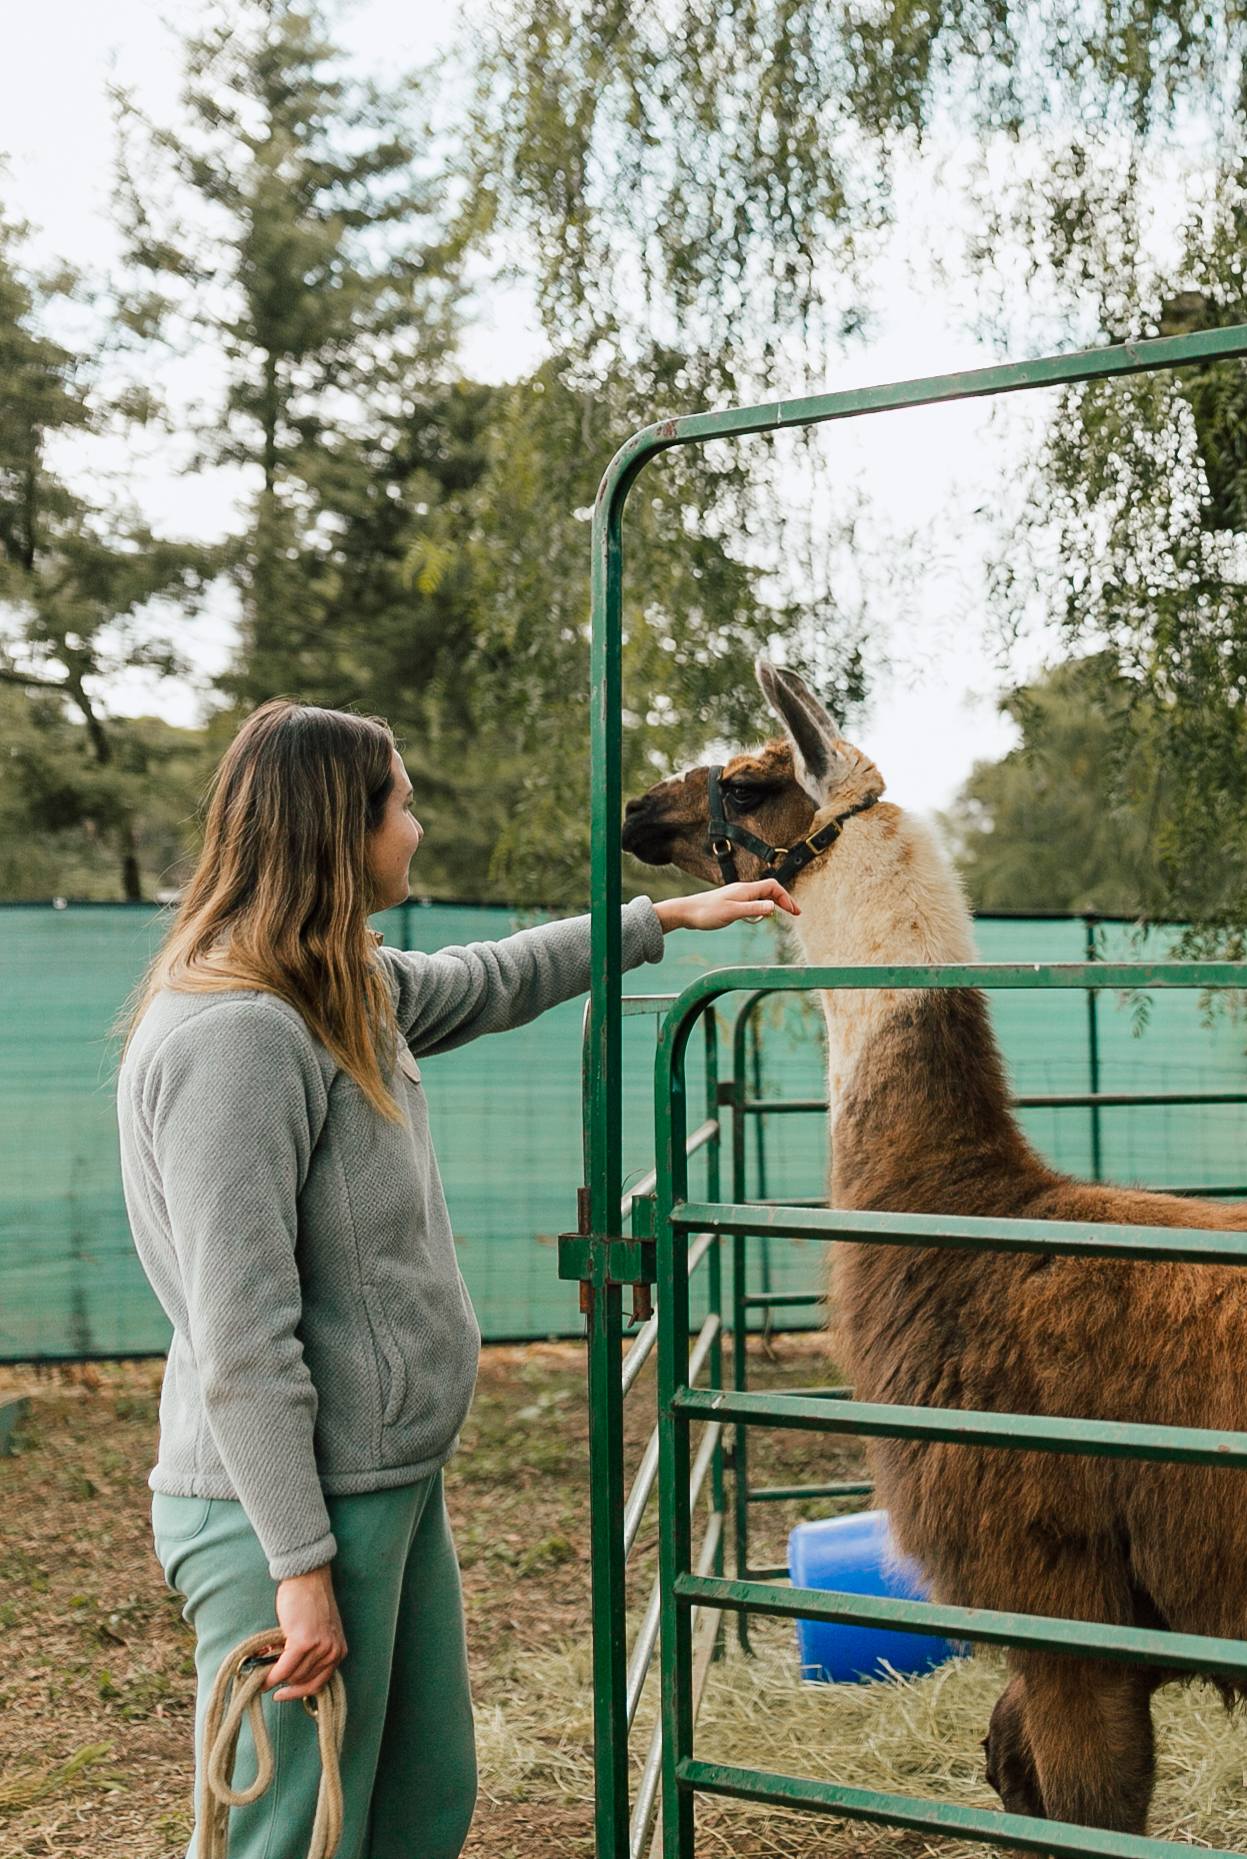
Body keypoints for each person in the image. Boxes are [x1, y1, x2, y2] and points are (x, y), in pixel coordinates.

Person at [115, 700, 794, 1859]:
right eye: (403, 802)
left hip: (377, 1477)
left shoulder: (334, 985)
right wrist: (298, 1570)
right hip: (286, 1507)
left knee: (418, 1799)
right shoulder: (237, 1037)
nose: (416, 827)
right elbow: (241, 1339)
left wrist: (666, 914)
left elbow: (486, 977)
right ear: (341, 828)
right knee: (292, 1827)